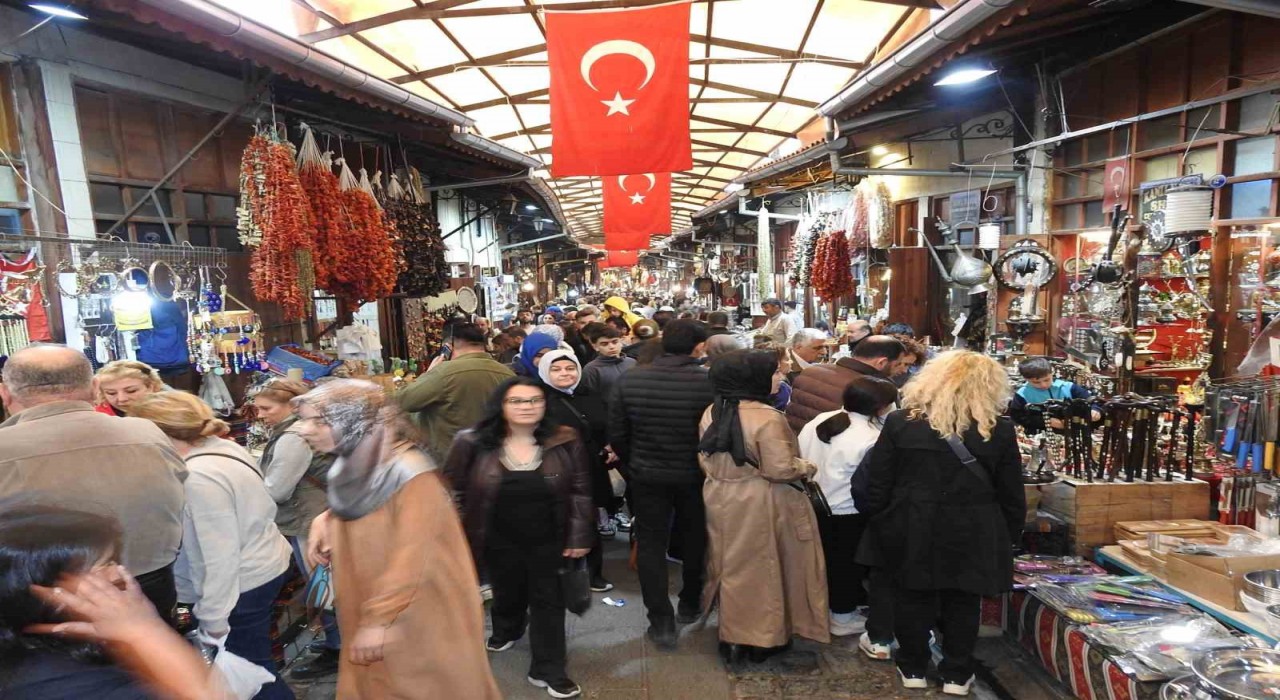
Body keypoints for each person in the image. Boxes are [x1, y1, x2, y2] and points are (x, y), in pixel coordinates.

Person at [299, 381, 500, 699]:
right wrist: (327, 518)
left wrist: (379, 620)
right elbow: (363, 503)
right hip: (376, 609)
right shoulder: (357, 461)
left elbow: (414, 555)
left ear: (354, 423)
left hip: (414, 617)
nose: (305, 429)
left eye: (319, 420)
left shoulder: (411, 474)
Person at [861, 351, 1025, 695]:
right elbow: (1010, 491)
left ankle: (913, 667)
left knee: (912, 597)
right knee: (963, 601)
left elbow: (879, 481)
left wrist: (881, 521)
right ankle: (956, 674)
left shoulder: (902, 422)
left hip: (913, 522)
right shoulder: (997, 429)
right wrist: (1008, 535)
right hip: (973, 525)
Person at [128, 391, 295, 700]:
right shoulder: (224, 449)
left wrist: (214, 622)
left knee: (249, 674)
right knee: (253, 667)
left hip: (240, 587)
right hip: (263, 567)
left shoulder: (197, 477)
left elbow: (219, 558)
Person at [0, 344, 186, 621]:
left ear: (5, 392)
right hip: (148, 586)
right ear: (96, 386)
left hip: (48, 598)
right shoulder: (145, 431)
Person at [443, 377, 593, 699]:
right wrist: (453, 538)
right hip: (494, 537)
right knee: (507, 592)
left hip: (549, 538)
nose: (527, 407)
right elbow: (452, 490)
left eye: (534, 400)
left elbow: (581, 490)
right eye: (517, 401)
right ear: (501, 406)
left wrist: (579, 535)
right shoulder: (470, 441)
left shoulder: (564, 439)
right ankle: (508, 627)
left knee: (548, 601)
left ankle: (549, 668)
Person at [0, 500, 222, 700]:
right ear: (47, 590)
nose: (118, 572)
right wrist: (148, 632)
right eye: (104, 565)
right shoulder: (86, 686)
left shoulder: (28, 653)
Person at [698, 350, 829, 664]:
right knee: (766, 569)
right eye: (774, 372)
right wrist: (806, 466)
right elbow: (779, 469)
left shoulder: (713, 411)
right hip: (763, 500)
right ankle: (761, 638)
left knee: (729, 566)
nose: (780, 377)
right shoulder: (768, 417)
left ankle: (731, 634)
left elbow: (704, 457)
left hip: (721, 495)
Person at [608, 319, 714, 650]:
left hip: (647, 474)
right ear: (698, 347)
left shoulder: (631, 378)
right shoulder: (707, 381)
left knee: (651, 544)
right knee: (695, 537)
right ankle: (690, 600)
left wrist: (633, 463)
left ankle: (661, 620)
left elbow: (617, 433)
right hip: (694, 475)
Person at [250, 379, 342, 680]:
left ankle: (338, 648)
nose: (260, 414)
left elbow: (277, 489)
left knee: (324, 587)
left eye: (267, 408)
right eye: (257, 408)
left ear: (291, 406)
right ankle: (335, 641)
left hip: (308, 520)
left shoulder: (292, 437)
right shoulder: (291, 433)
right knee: (324, 586)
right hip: (311, 517)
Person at [797, 376, 899, 639]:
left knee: (826, 563)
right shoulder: (871, 437)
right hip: (847, 512)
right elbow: (872, 481)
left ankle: (824, 611)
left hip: (812, 504)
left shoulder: (820, 420)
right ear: (881, 407)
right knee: (845, 567)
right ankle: (841, 617)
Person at [537, 349, 614, 589]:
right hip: (552, 471)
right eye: (556, 369)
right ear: (544, 372)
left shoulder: (589, 394)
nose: (565, 373)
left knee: (587, 519)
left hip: (590, 467)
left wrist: (610, 444)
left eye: (570, 368)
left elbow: (605, 423)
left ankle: (592, 574)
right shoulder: (538, 399)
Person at [399, 322, 515, 465]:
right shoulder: (507, 373)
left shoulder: (443, 373)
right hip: (497, 461)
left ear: (448, 347)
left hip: (452, 462)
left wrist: (428, 373)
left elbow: (402, 402)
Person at [786, 335, 905, 433]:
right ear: (882, 362)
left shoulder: (810, 371)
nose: (903, 370)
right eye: (898, 364)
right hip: (840, 453)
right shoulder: (871, 390)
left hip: (800, 446)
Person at [1009, 356, 1099, 432]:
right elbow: (1018, 417)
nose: (1043, 385)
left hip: (1072, 431)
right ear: (1026, 379)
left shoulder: (1068, 387)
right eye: (1036, 382)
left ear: (1052, 373)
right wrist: (1047, 421)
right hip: (1037, 433)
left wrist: (1095, 410)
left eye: (1047, 380)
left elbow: (1091, 399)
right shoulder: (1022, 394)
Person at [580, 323, 636, 402]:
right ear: (595, 347)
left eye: (615, 342)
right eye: (604, 344)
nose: (611, 347)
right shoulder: (591, 369)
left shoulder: (632, 362)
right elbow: (590, 398)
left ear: (620, 342)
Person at [93, 360, 164, 416]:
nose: (121, 399)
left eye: (131, 391)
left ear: (150, 387)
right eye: (111, 393)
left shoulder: (170, 413)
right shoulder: (96, 418)